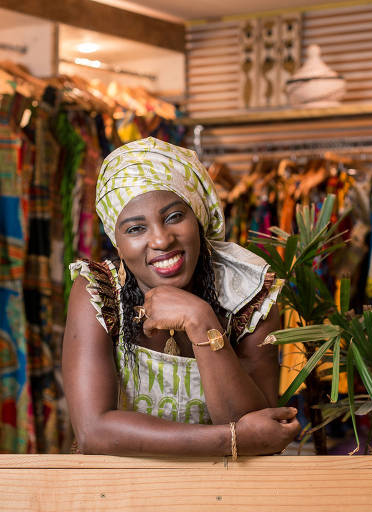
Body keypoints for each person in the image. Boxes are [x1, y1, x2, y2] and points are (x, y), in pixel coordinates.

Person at [63, 137, 301, 457]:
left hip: (221, 497)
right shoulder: (97, 291)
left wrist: (200, 320)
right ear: (117, 242)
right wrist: (233, 440)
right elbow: (94, 432)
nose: (161, 239)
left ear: (198, 218)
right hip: (117, 495)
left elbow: (261, 432)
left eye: (174, 217)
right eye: (135, 229)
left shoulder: (248, 294)